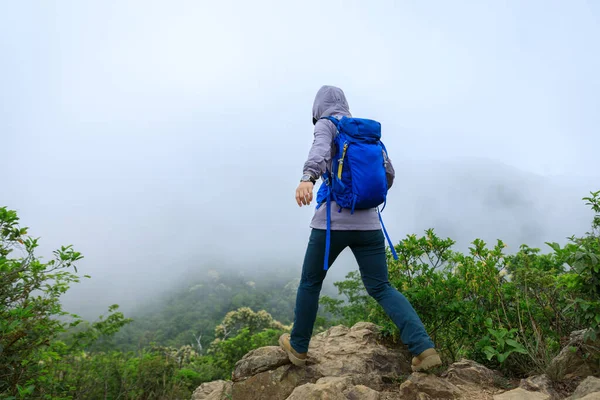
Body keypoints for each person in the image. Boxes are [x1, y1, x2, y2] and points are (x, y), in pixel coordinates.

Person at [278, 85, 442, 372]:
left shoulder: (328, 126)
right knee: (381, 287)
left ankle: (299, 347)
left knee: (310, 283)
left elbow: (318, 150)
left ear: (317, 109)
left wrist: (308, 178)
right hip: (369, 225)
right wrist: (360, 195)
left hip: (331, 225)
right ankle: (423, 348)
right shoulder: (366, 133)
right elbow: (387, 174)